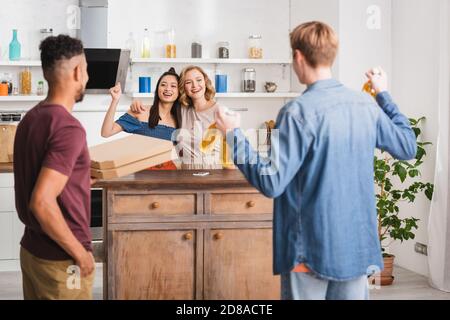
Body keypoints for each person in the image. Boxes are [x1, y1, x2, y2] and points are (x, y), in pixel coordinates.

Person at [215, 21, 417, 300]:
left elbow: (272, 182)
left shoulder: (297, 112)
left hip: (308, 249)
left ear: (298, 57)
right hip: (356, 249)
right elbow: (407, 146)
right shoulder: (364, 106)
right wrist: (383, 93)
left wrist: (233, 135)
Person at [13, 35, 95, 300]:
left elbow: (42, 177)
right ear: (78, 71)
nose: (87, 77)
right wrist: (80, 253)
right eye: (86, 70)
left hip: (33, 252)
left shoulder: (32, 118)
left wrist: (79, 182)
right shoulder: (69, 128)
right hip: (63, 261)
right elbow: (42, 202)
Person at [101, 67, 182, 170]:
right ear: (157, 89)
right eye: (163, 85)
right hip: (141, 177)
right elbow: (106, 132)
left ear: (179, 92)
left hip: (170, 176)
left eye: (173, 86)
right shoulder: (140, 111)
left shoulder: (180, 120)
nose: (167, 89)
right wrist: (115, 100)